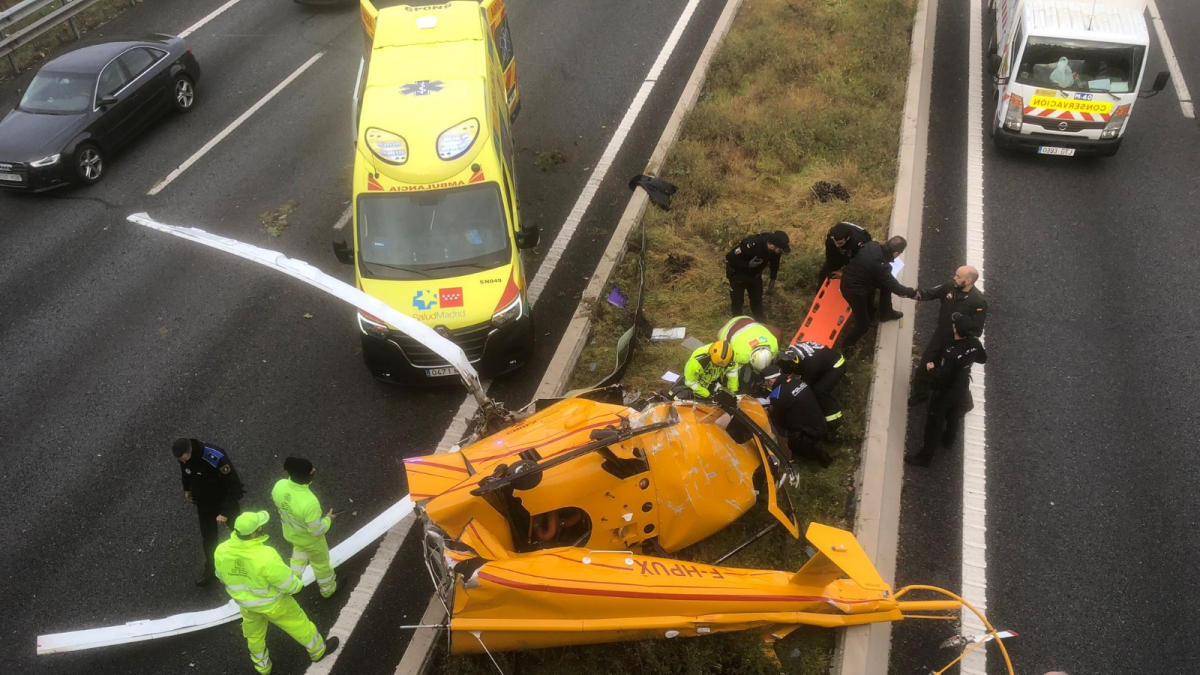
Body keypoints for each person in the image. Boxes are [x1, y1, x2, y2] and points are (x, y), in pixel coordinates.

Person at [215, 511, 339, 675]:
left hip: (247, 606)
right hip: (275, 605)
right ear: (253, 533)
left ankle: (263, 667)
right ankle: (318, 651)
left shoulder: (221, 550)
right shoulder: (266, 555)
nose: (262, 527)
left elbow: (221, 576)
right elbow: (289, 585)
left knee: (254, 637)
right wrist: (298, 585)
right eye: (259, 526)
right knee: (299, 625)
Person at [906, 313, 988, 467]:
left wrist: (930, 369)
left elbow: (940, 378)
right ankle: (949, 440)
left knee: (934, 424)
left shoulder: (951, 353)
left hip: (944, 393)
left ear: (955, 328)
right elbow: (982, 359)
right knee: (954, 415)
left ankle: (925, 457)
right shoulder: (975, 343)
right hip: (961, 388)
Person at [909, 265, 988, 405]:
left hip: (957, 341)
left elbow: (977, 328)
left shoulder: (978, 301)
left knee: (953, 371)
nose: (954, 278)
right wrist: (913, 293)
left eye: (958, 276)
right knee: (927, 361)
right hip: (941, 334)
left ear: (968, 281)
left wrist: (963, 344)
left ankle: (957, 398)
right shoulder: (950, 287)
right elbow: (931, 293)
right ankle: (921, 392)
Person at [173, 437, 245, 587]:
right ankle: (211, 570)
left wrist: (225, 512)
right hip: (205, 503)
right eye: (179, 460)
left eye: (183, 459)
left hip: (224, 501)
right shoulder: (184, 458)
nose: (182, 462)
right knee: (209, 539)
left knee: (241, 533)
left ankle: (251, 563)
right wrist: (187, 488)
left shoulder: (215, 457)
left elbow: (234, 485)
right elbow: (186, 472)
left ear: (189, 451)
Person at [271, 457, 337, 599]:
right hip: (311, 541)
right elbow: (317, 530)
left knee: (299, 556)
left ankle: (292, 584)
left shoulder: (279, 486)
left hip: (291, 534)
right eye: (311, 470)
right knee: (321, 565)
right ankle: (328, 589)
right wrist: (328, 519)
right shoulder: (309, 502)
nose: (314, 470)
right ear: (307, 476)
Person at [838, 235, 919, 351]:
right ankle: (846, 346)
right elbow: (897, 288)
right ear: (896, 253)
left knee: (886, 285)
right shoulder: (882, 267)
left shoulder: (872, 245)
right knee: (863, 325)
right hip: (853, 291)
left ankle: (886, 312)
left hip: (855, 279)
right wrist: (913, 293)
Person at [766, 373, 831, 468]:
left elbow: (776, 417)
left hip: (809, 431)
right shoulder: (796, 380)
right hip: (819, 420)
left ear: (771, 381)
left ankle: (819, 455)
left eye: (765, 383)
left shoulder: (778, 395)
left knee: (776, 428)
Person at [725, 230, 791, 321]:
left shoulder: (775, 251)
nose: (780, 252)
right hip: (738, 275)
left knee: (757, 302)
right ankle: (737, 324)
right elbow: (730, 257)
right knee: (737, 303)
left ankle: (761, 324)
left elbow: (775, 263)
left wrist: (772, 278)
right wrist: (747, 264)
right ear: (772, 245)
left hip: (755, 275)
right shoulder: (752, 245)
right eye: (780, 249)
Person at [776, 341, 846, 425]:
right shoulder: (793, 351)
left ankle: (835, 420)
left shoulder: (810, 365)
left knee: (819, 391)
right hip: (826, 358)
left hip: (837, 365)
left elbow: (805, 386)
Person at [716, 316, 780, 393]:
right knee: (724, 356)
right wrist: (734, 390)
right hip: (728, 330)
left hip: (747, 320)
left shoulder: (774, 344)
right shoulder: (741, 355)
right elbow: (732, 372)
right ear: (750, 359)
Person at [818, 221, 872, 287]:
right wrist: (830, 268)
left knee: (856, 277)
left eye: (840, 243)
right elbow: (830, 254)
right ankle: (821, 291)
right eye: (835, 242)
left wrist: (846, 272)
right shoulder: (832, 235)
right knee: (824, 273)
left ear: (848, 238)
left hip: (857, 253)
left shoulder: (861, 240)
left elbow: (863, 262)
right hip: (842, 251)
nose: (837, 245)